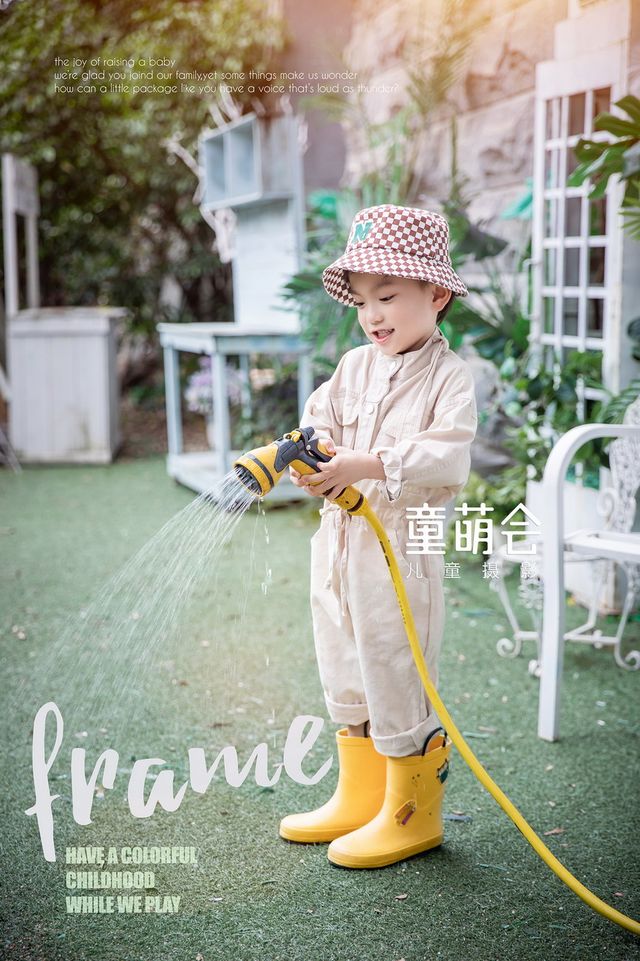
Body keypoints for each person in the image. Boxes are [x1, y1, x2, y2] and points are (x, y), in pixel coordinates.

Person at [280, 204, 478, 869]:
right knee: (343, 657)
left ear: (437, 294)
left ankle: (411, 812)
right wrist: (314, 459)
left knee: (395, 664)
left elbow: (445, 455)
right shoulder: (353, 367)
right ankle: (361, 795)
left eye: (388, 297)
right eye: (363, 301)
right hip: (340, 541)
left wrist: (366, 464)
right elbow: (321, 422)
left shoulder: (449, 378)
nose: (373, 315)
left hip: (400, 551)